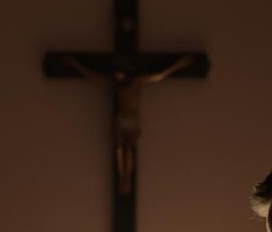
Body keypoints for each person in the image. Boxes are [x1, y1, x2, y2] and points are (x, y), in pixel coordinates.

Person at [64, 54, 194, 196]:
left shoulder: (138, 81)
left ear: (126, 72)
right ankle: (122, 179)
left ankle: (127, 179)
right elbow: (94, 77)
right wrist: (76, 65)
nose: (117, 75)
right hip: (121, 120)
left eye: (119, 73)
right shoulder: (114, 83)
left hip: (132, 121)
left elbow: (159, 76)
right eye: (115, 73)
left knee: (130, 149)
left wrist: (177, 66)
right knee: (119, 149)